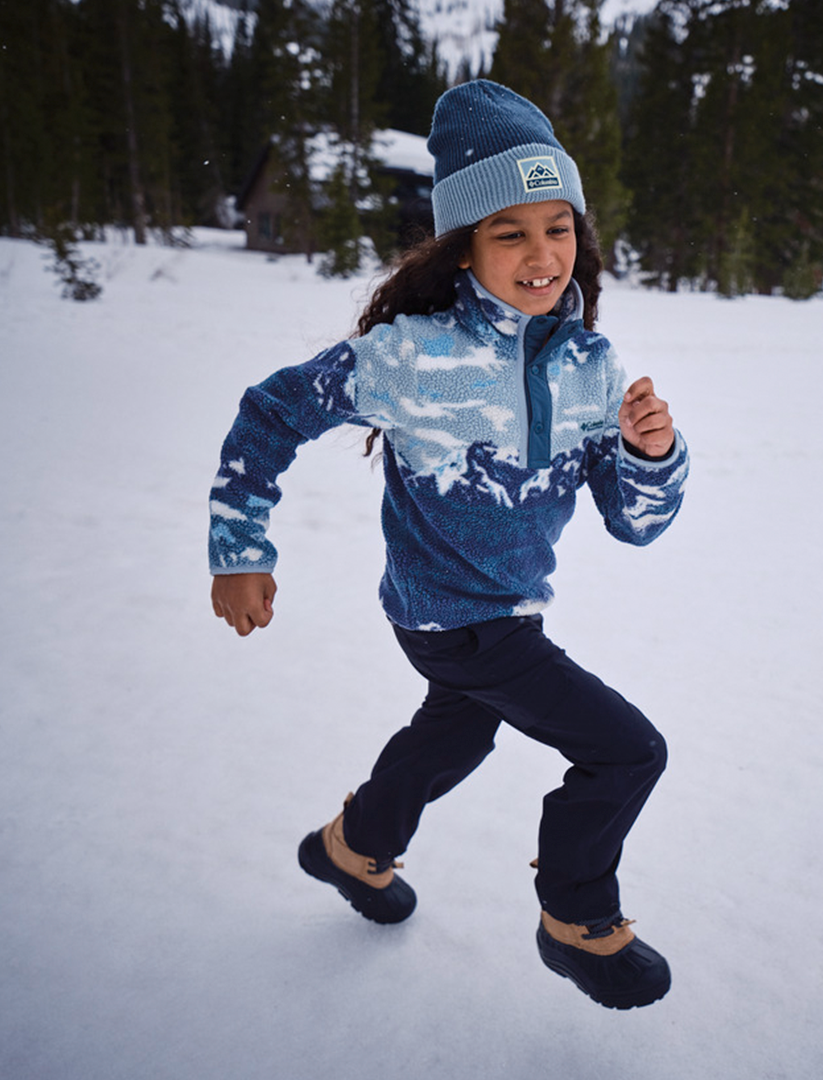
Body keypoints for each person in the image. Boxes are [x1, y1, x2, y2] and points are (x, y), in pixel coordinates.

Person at [209, 80, 688, 1010]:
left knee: (457, 734)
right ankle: (576, 918)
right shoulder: (410, 356)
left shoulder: (591, 367)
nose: (542, 254)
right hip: (456, 619)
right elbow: (270, 414)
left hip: (498, 620)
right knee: (627, 752)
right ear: (463, 247)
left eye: (558, 227)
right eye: (510, 233)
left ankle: (354, 847)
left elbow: (636, 524)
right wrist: (241, 548)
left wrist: (651, 455)